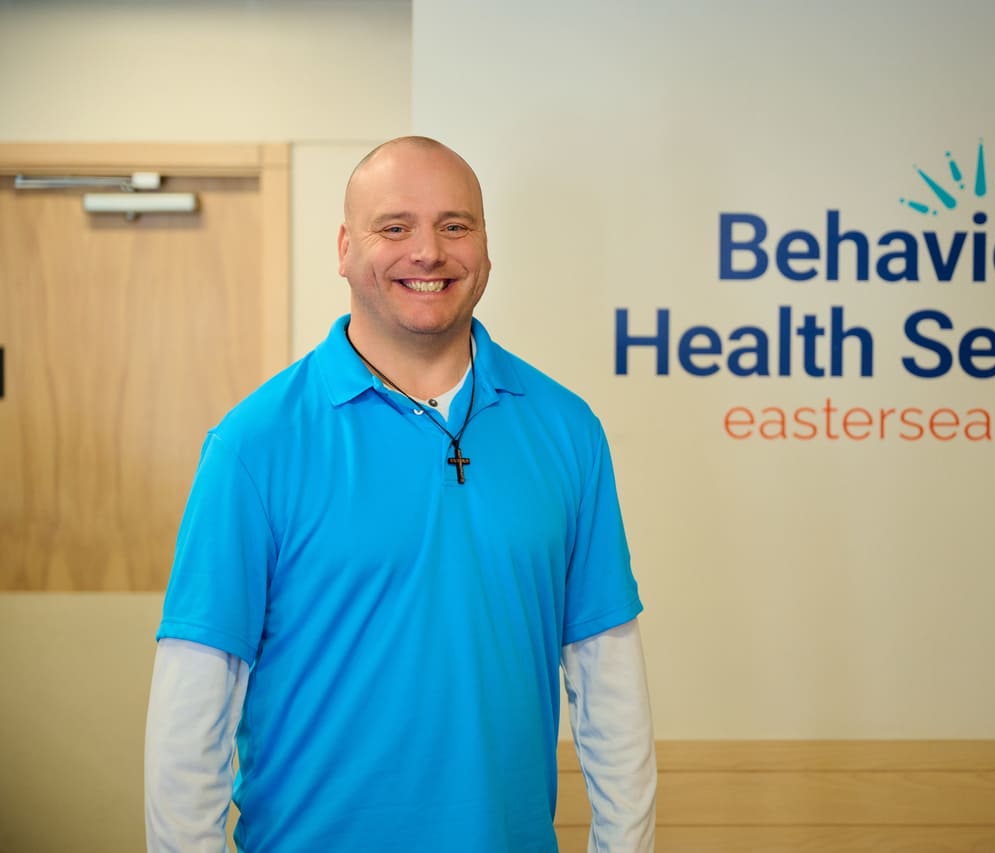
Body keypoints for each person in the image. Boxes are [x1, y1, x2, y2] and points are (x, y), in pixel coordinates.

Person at [144, 136, 657, 852]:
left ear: (484, 246)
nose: (429, 252)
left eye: (455, 225)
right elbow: (193, 700)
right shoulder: (254, 444)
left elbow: (608, 674)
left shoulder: (568, 429)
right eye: (395, 227)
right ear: (346, 248)